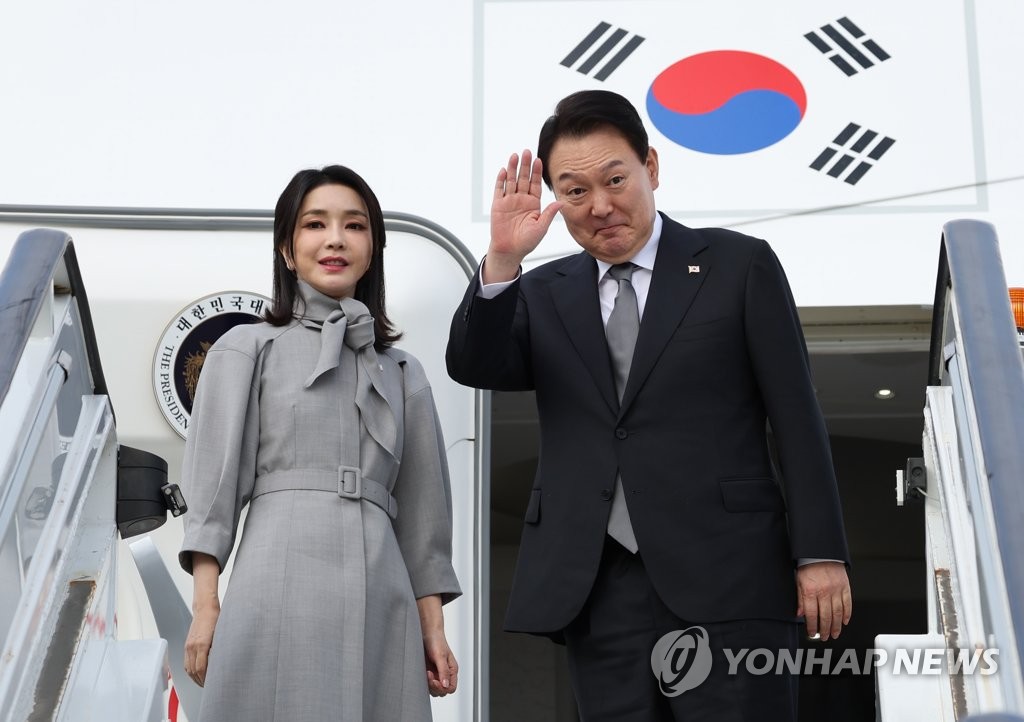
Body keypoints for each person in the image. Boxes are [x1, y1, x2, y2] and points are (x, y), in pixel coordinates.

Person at [446, 90, 852, 721]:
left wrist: (820, 554)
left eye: (615, 179)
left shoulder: (736, 265)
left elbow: (796, 416)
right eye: (574, 191)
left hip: (730, 576)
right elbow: (475, 366)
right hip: (599, 586)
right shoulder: (544, 291)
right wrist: (502, 260)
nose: (600, 206)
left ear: (651, 169)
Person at [180, 165, 461, 722]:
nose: (335, 238)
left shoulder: (404, 371)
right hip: (274, 575)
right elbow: (213, 490)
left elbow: (425, 518)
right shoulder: (247, 346)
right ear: (288, 248)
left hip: (383, 590)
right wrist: (206, 606)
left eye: (354, 226)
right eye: (315, 224)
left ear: (372, 246)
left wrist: (433, 627)